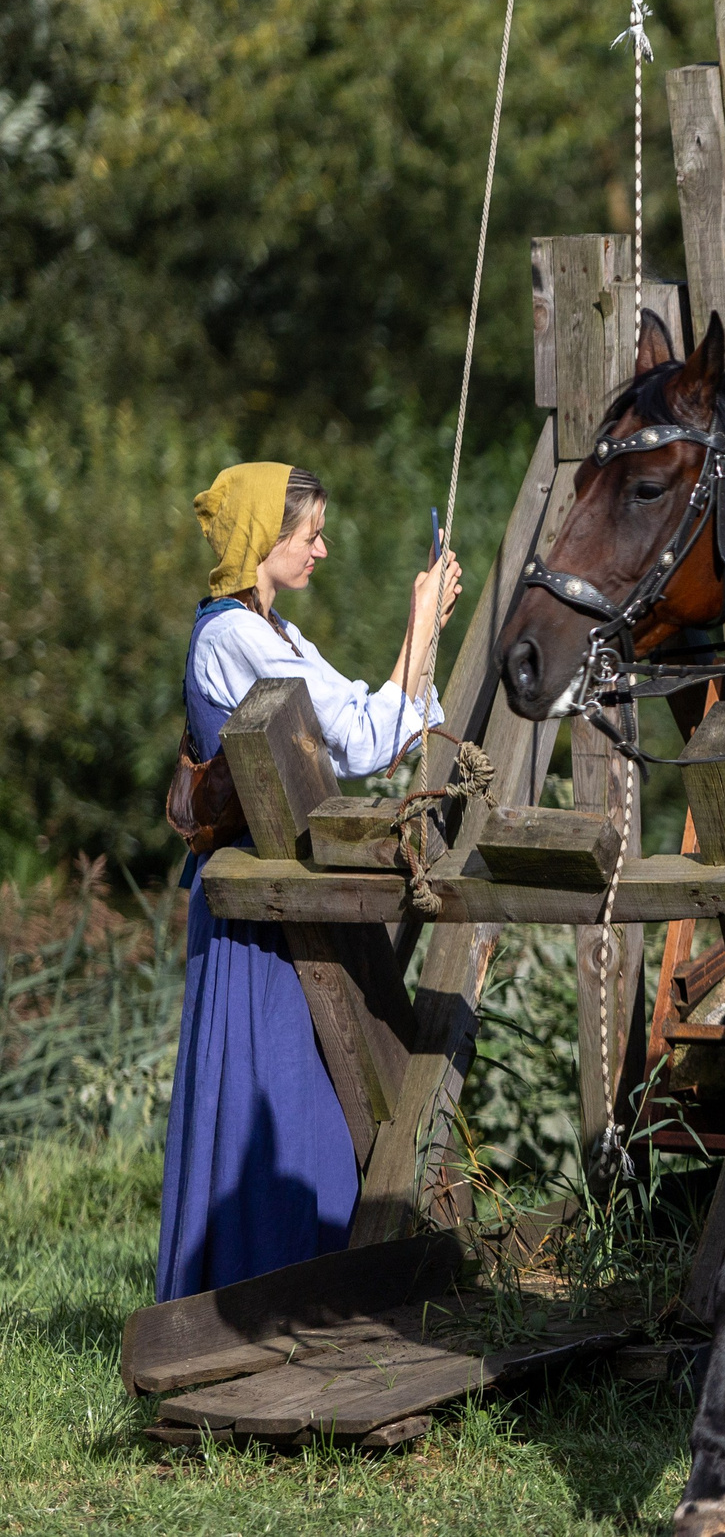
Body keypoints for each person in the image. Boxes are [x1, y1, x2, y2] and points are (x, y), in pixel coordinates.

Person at [158, 463, 463, 1299]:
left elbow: (368, 714)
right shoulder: (236, 639)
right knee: (279, 1099)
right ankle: (255, 1293)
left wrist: (422, 636)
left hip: (287, 896)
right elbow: (364, 736)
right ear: (265, 541)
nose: (322, 549)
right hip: (255, 912)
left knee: (311, 1103)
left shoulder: (278, 633)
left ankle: (312, 1293)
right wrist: (419, 620)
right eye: (309, 535)